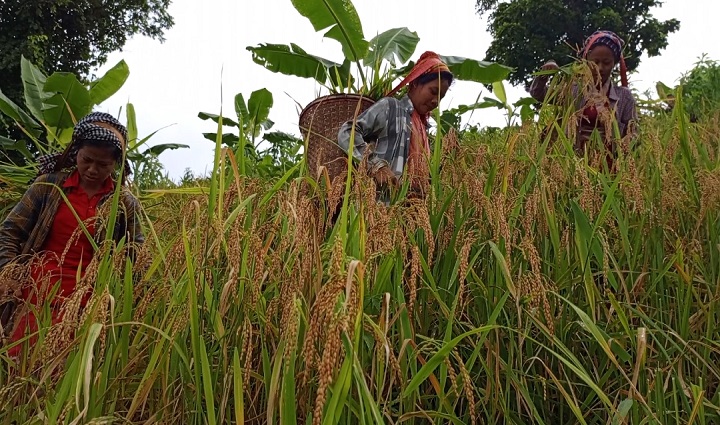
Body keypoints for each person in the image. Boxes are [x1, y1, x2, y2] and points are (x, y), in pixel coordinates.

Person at [0, 112, 144, 357]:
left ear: (116, 164)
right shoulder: (49, 187)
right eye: (86, 159)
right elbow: (9, 233)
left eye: (103, 165)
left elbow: (137, 252)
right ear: (76, 152)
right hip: (34, 301)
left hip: (87, 309)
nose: (92, 169)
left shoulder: (123, 202)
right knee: (20, 371)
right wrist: (10, 275)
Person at [338, 51, 454, 199]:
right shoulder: (391, 107)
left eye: (440, 97)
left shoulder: (423, 129)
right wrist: (377, 167)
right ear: (415, 83)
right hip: (381, 208)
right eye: (433, 91)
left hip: (408, 214)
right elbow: (348, 132)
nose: (435, 101)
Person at [529, 30, 638, 158]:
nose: (600, 68)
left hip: (610, 165)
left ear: (614, 63)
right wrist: (544, 75)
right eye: (595, 62)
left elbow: (633, 133)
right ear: (586, 61)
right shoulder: (573, 90)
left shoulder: (624, 96)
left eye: (607, 62)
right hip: (574, 162)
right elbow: (538, 93)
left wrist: (624, 148)